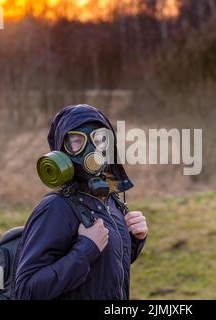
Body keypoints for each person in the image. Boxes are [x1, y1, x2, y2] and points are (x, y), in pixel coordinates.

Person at [15, 104, 148, 300]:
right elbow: (25, 292)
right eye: (76, 141)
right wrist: (86, 250)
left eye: (100, 139)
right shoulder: (56, 208)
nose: (92, 150)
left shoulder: (110, 200)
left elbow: (106, 270)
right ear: (61, 151)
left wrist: (135, 239)